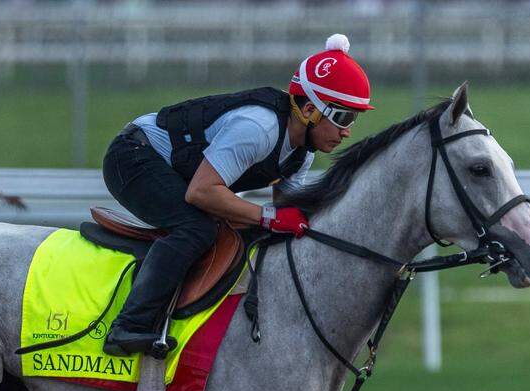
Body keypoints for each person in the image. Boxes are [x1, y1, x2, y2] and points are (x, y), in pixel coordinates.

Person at [101, 33, 374, 357]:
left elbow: (289, 218)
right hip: (133, 157)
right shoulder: (258, 129)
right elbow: (201, 192)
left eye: (354, 119)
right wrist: (269, 216)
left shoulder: (302, 154)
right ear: (310, 110)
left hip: (176, 171)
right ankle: (130, 325)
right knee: (196, 228)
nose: (347, 131)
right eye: (342, 117)